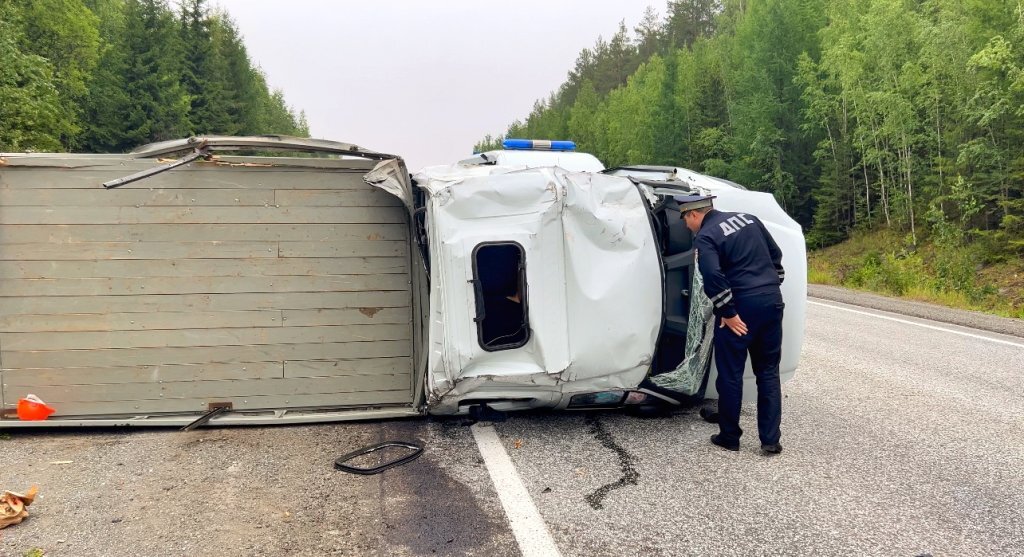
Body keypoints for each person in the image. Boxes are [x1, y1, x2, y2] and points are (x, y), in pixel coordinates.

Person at [678, 194, 786, 455]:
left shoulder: (706, 237)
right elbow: (776, 255)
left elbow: (712, 274)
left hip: (740, 308)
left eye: (685, 220)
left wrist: (728, 312)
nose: (686, 226)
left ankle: (730, 436)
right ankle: (770, 441)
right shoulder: (748, 219)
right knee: (769, 372)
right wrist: (770, 285)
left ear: (693, 214)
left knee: (730, 374)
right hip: (771, 302)